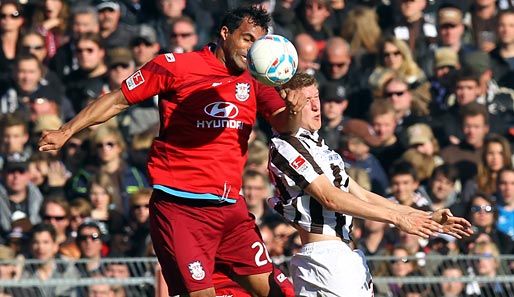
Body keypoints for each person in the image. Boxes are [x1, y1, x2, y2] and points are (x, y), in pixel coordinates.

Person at [39, 6, 308, 297]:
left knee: (280, 293)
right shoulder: (176, 67)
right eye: (246, 39)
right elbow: (118, 100)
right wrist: (66, 131)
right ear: (225, 33)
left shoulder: (256, 78)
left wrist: (294, 110)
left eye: (258, 42)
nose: (251, 49)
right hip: (181, 208)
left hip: (231, 208)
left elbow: (284, 123)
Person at [268, 72, 473, 296]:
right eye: (307, 101)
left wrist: (423, 216)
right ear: (290, 105)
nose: (317, 106)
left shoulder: (320, 147)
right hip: (325, 258)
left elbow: (362, 195)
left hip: (341, 255)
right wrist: (398, 219)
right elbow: (330, 198)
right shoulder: (286, 147)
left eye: (317, 97)